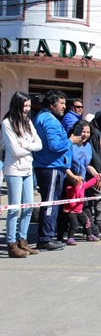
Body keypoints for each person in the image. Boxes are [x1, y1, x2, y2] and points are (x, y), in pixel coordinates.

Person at [32, 90, 82, 251]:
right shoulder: (49, 120)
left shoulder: (46, 118)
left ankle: (48, 235)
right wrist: (70, 140)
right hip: (50, 166)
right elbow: (55, 145)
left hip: (50, 165)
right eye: (61, 103)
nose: (64, 107)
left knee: (52, 202)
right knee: (50, 203)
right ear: (52, 104)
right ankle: (45, 238)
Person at [2, 91, 43, 258]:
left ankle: (22, 240)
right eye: (25, 106)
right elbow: (14, 150)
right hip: (14, 170)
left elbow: (39, 144)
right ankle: (11, 243)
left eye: (29, 106)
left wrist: (25, 143)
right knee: (14, 208)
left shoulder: (27, 122)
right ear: (17, 105)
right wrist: (28, 146)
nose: (27, 109)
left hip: (27, 168)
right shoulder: (7, 123)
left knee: (28, 206)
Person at [61, 173, 101, 245]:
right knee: (74, 224)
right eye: (79, 180)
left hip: (79, 210)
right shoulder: (69, 188)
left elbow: (90, 183)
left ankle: (89, 235)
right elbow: (74, 191)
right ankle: (70, 238)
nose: (82, 181)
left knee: (87, 222)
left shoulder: (82, 186)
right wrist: (76, 183)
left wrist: (97, 177)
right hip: (70, 211)